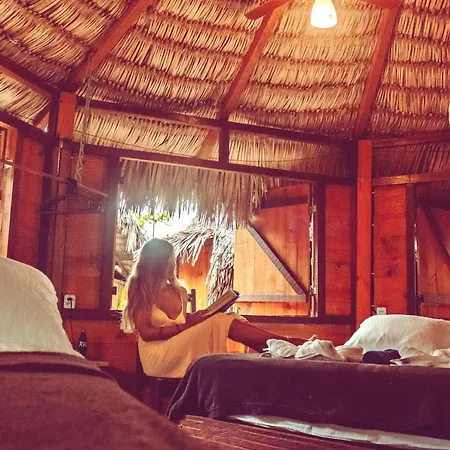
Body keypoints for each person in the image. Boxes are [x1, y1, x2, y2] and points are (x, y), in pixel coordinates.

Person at [121, 238, 310, 378]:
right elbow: (146, 333)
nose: (172, 264)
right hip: (158, 357)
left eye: (172, 259)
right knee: (219, 321)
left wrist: (193, 318)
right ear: (156, 262)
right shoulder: (139, 287)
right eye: (168, 260)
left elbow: (179, 324)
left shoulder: (179, 291)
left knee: (221, 317)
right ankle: (290, 344)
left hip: (179, 347)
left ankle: (282, 348)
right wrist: (186, 325)